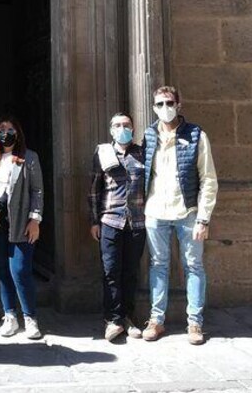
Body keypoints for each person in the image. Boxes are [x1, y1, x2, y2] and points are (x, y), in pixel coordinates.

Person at [142, 86, 218, 346]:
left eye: (169, 102)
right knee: (158, 266)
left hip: (187, 213)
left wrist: (203, 218)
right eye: (160, 104)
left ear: (179, 103)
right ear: (153, 107)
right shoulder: (149, 135)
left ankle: (195, 323)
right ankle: (156, 320)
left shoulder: (196, 135)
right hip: (155, 212)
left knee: (193, 266)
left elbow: (208, 179)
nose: (165, 108)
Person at [0, 116, 44, 340]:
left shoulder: (29, 157)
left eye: (11, 129)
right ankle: (9, 315)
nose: (6, 134)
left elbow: (37, 190)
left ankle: (30, 318)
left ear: (18, 132)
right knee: (2, 270)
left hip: (21, 220)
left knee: (20, 270)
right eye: (1, 130)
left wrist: (35, 219)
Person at [88, 112, 146, 342]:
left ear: (133, 128)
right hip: (110, 219)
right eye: (118, 125)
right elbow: (94, 189)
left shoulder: (142, 152)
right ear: (111, 130)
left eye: (127, 125)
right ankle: (112, 319)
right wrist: (93, 220)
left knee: (131, 272)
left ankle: (128, 317)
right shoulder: (103, 152)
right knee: (111, 271)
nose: (123, 128)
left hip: (137, 221)